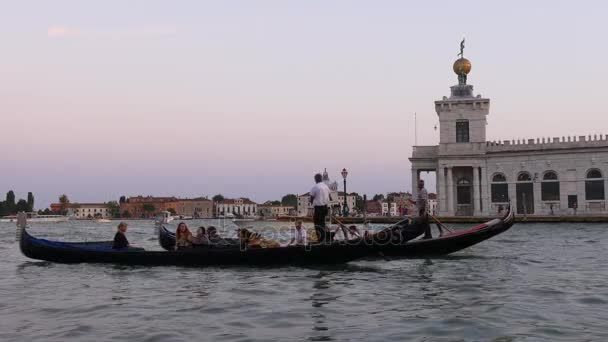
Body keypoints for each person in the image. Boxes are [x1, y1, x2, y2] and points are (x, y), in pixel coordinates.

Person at [310, 173, 331, 243]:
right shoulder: (326, 187)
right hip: (325, 208)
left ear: (316, 179)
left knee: (317, 224)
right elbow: (330, 197)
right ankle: (324, 238)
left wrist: (312, 204)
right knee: (323, 223)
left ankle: (321, 240)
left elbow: (311, 199)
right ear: (321, 179)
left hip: (318, 208)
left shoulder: (315, 187)